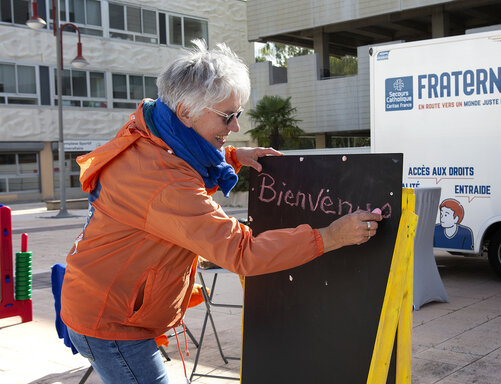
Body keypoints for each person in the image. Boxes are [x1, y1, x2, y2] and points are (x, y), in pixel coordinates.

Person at [60, 40, 382, 384]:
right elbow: (241, 253)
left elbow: (184, 157)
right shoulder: (165, 183)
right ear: (184, 111)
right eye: (228, 117)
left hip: (103, 302)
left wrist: (230, 156)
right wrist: (329, 236)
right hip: (114, 324)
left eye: (238, 114)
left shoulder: (154, 130)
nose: (236, 128)